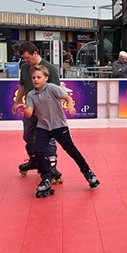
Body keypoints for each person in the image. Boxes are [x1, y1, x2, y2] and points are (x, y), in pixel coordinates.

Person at [15, 65, 100, 198]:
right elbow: (29, 113)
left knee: (71, 150)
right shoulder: (31, 95)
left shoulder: (52, 88)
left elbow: (67, 98)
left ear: (46, 78)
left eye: (39, 77)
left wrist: (70, 105)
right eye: (33, 78)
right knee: (38, 151)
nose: (36, 80)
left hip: (59, 126)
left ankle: (88, 172)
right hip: (43, 127)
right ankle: (45, 178)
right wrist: (24, 108)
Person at [12, 41, 62, 182]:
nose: (26, 61)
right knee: (28, 135)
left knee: (49, 137)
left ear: (35, 53)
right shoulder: (24, 68)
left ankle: (51, 165)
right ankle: (34, 160)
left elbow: (56, 91)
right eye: (24, 58)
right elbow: (22, 86)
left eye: (28, 57)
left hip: (46, 110)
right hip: (30, 107)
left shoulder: (50, 69)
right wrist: (17, 102)